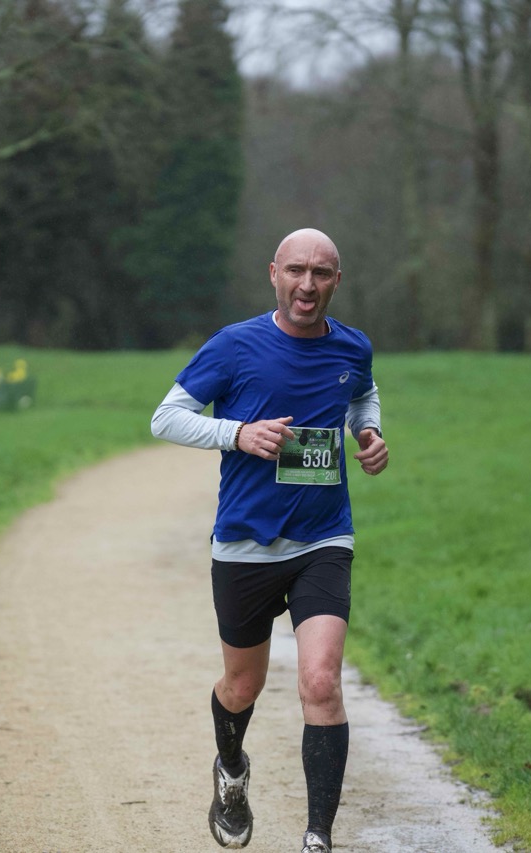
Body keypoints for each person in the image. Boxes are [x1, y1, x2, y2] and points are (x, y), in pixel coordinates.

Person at [151, 228, 388, 853]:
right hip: (245, 544)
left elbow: (362, 395)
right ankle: (231, 769)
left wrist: (367, 434)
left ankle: (318, 838)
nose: (307, 285)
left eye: (321, 273)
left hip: (323, 538)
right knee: (242, 686)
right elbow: (165, 417)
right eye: (296, 271)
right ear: (274, 274)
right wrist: (237, 434)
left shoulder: (353, 346)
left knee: (321, 682)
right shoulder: (235, 345)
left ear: (337, 281)